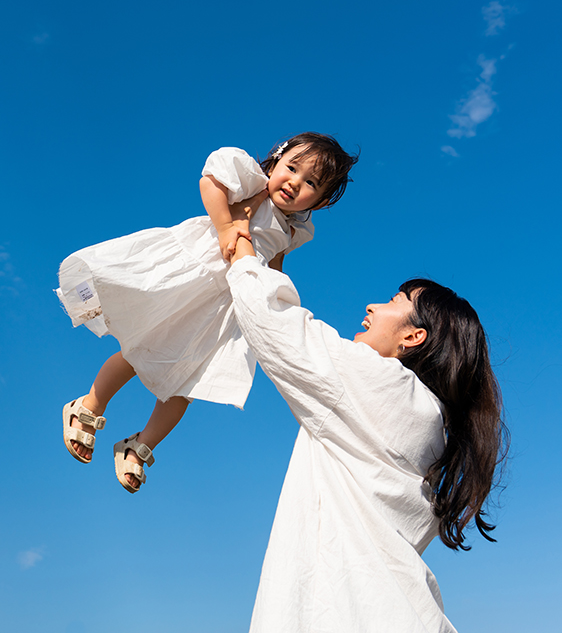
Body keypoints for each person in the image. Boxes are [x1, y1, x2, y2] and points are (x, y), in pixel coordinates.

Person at [225, 207, 506, 632]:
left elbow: (275, 325)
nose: (372, 305)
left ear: (414, 337)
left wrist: (241, 241)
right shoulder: (428, 420)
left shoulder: (383, 384)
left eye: (394, 301)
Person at [55, 133, 359, 492]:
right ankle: (88, 405)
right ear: (276, 161)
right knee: (138, 351)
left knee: (189, 382)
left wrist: (269, 302)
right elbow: (211, 181)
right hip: (192, 279)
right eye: (292, 168)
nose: (295, 182)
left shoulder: (292, 229)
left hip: (221, 311)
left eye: (311, 183)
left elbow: (273, 269)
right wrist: (226, 226)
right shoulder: (251, 185)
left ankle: (139, 447)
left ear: (321, 202)